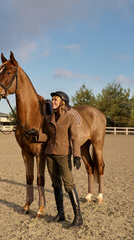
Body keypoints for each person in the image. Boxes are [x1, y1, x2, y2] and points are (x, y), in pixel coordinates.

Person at [37, 91, 83, 228]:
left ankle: (78, 217)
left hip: (63, 154)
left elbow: (75, 137)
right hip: (50, 154)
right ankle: (61, 214)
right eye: (52, 99)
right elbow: (46, 136)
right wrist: (36, 135)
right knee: (56, 184)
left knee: (68, 184)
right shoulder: (48, 117)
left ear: (63, 102)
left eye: (56, 99)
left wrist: (77, 155)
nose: (53, 101)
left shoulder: (69, 118)